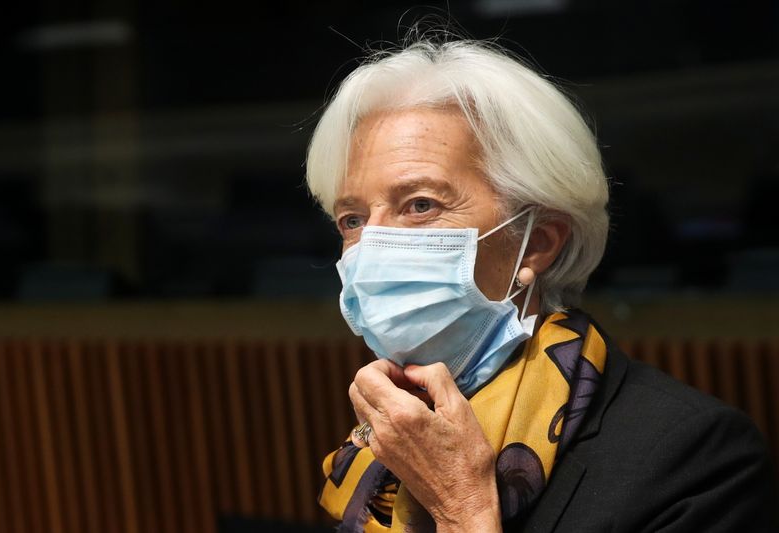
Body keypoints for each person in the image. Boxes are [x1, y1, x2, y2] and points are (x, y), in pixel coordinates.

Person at [305, 37, 778, 532]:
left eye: (421, 205)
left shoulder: (694, 457)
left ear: (536, 244)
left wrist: (462, 509)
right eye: (352, 218)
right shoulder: (372, 450)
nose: (373, 246)